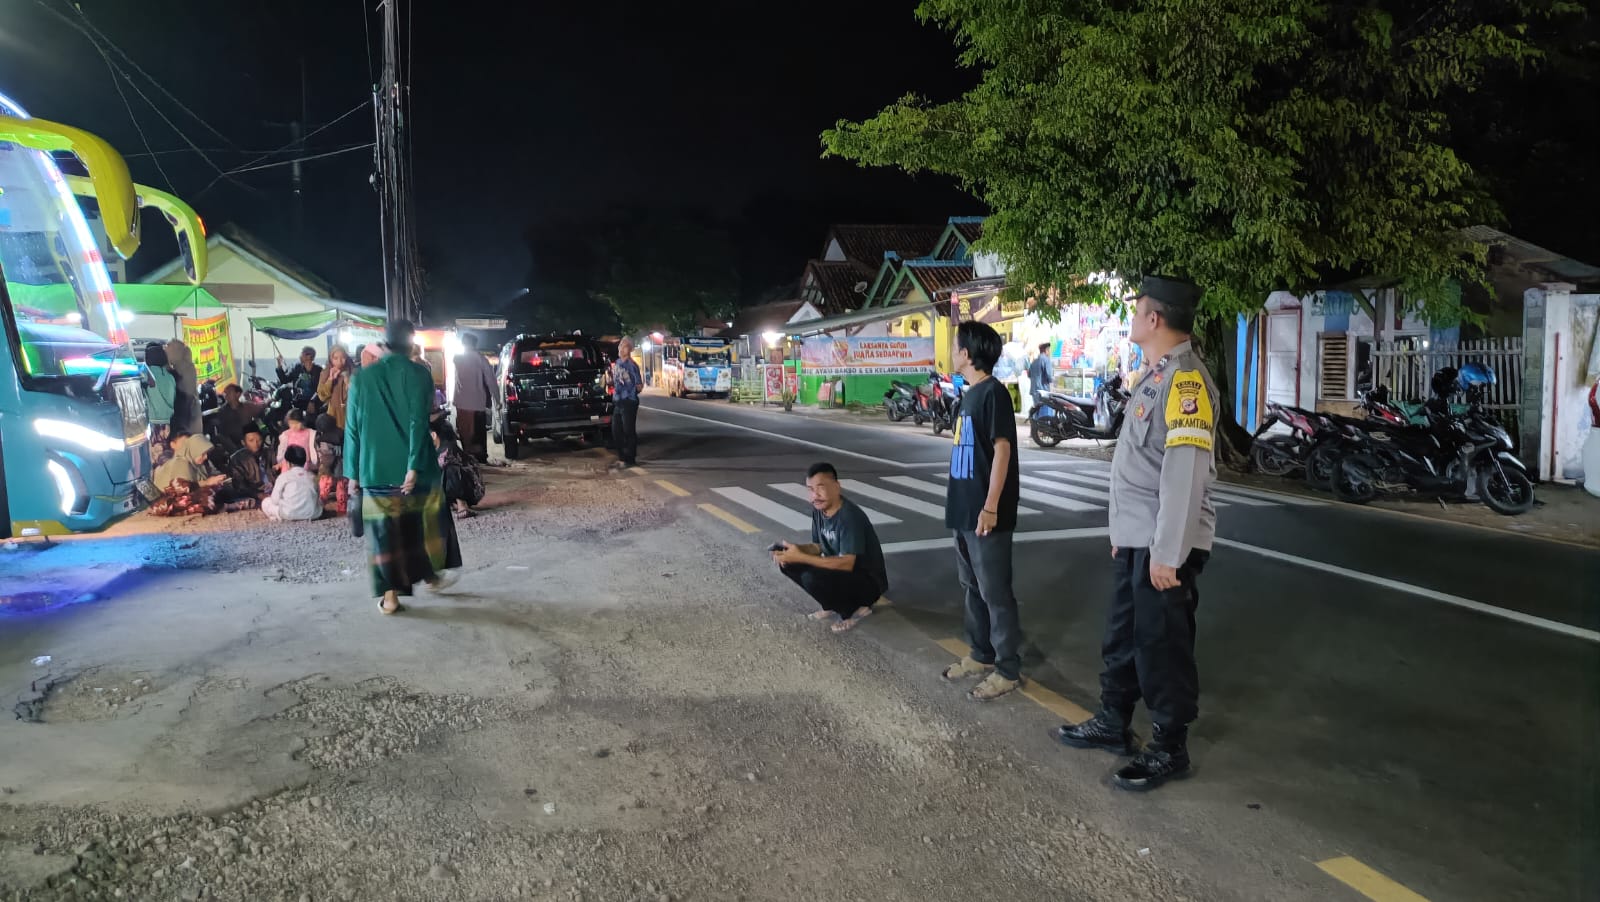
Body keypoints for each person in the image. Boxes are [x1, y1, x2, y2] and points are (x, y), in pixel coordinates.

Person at [1055, 275, 1218, 791]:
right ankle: (1113, 720)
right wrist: (1123, 532)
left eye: (1137, 309)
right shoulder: (1154, 375)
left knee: (1161, 643)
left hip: (1163, 546)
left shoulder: (1185, 382)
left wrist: (1167, 553)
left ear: (1155, 318)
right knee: (1123, 635)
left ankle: (1170, 746)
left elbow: (1183, 476)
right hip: (1138, 539)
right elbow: (1139, 467)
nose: (1131, 317)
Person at [346, 322, 463, 614]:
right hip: (418, 469)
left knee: (384, 536)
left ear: (383, 345)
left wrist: (352, 473)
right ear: (411, 345)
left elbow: (352, 429)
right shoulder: (419, 374)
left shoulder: (362, 378)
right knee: (419, 526)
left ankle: (391, 598)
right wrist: (412, 466)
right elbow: (417, 421)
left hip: (374, 469)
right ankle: (430, 574)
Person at [940, 320, 1024, 702]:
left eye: (955, 345)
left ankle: (1007, 669)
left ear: (967, 353)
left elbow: (1003, 449)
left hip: (985, 513)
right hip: (963, 509)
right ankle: (980, 653)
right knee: (971, 586)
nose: (952, 351)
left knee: (995, 592)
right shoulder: (970, 394)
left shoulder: (993, 393)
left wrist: (990, 507)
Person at [772, 462, 887, 633]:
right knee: (787, 562)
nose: (815, 495)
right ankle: (831, 604)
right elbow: (818, 546)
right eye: (810, 489)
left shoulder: (849, 517)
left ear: (836, 487)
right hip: (843, 575)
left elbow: (846, 563)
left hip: (867, 582)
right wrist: (794, 551)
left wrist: (801, 557)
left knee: (811, 578)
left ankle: (853, 611)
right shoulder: (819, 510)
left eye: (821, 488)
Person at [450, 334, 496, 464]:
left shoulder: (457, 358)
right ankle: (480, 460)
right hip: (477, 404)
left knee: (465, 433)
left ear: (463, 344)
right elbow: (491, 380)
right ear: (475, 344)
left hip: (461, 403)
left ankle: (468, 459)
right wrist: (497, 400)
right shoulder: (480, 359)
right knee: (478, 434)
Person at [432, 416, 484, 518]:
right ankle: (452, 503)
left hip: (470, 491)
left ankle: (461, 504)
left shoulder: (448, 450)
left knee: (451, 469)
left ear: (433, 435)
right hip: (454, 489)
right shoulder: (436, 450)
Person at [262, 445, 323, 521]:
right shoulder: (312, 476)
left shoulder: (283, 477)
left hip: (288, 514)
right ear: (304, 462)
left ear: (288, 463)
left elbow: (275, 500)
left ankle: (278, 518)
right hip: (313, 514)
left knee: (266, 502)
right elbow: (317, 497)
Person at [610, 337, 643, 467]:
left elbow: (639, 386)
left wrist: (630, 392)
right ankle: (622, 457)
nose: (620, 348)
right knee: (616, 431)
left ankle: (630, 459)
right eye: (620, 345)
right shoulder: (617, 363)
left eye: (623, 346)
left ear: (629, 349)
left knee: (629, 431)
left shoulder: (632, 365)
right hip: (618, 401)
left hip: (629, 401)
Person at [144, 343, 178, 467]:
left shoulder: (147, 374)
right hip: (168, 423)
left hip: (154, 423)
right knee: (166, 456)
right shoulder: (170, 377)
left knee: (156, 459)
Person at [165, 339, 203, 437]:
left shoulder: (183, 368)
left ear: (176, 352)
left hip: (187, 414)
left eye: (169, 349)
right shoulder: (186, 366)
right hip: (189, 413)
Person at [315, 413, 350, 515]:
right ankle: (342, 507)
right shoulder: (343, 433)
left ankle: (320, 503)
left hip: (328, 464)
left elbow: (323, 453)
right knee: (342, 486)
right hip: (343, 463)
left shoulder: (321, 439)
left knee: (325, 484)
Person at [212, 383, 262, 453]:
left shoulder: (247, 406)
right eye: (225, 394)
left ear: (238, 394)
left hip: (251, 443)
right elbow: (222, 434)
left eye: (229, 393)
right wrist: (235, 451)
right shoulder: (222, 412)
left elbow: (260, 409)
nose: (226, 396)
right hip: (236, 447)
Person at [228, 426, 275, 499]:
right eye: (251, 441)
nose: (256, 444)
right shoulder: (237, 460)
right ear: (243, 442)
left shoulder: (270, 453)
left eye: (259, 440)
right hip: (254, 495)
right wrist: (257, 495)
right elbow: (240, 485)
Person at [316, 345, 355, 431]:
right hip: (333, 416)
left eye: (343, 357)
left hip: (350, 413)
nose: (339, 361)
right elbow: (322, 396)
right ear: (330, 359)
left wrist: (349, 384)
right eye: (335, 358)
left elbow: (360, 395)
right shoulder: (325, 373)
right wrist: (330, 379)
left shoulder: (353, 372)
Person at [276, 409, 319, 474]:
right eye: (291, 423)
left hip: (304, 465)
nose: (294, 426)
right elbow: (282, 449)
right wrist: (280, 462)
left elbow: (313, 449)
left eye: (297, 423)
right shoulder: (286, 434)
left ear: (302, 421)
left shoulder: (309, 433)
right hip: (288, 465)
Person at [1027, 342, 1054, 409]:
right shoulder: (1046, 360)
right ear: (1046, 350)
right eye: (1049, 350)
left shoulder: (1034, 361)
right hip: (1043, 391)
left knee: (1037, 410)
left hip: (1034, 390)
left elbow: (1029, 375)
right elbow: (1049, 376)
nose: (1050, 352)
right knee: (1044, 410)